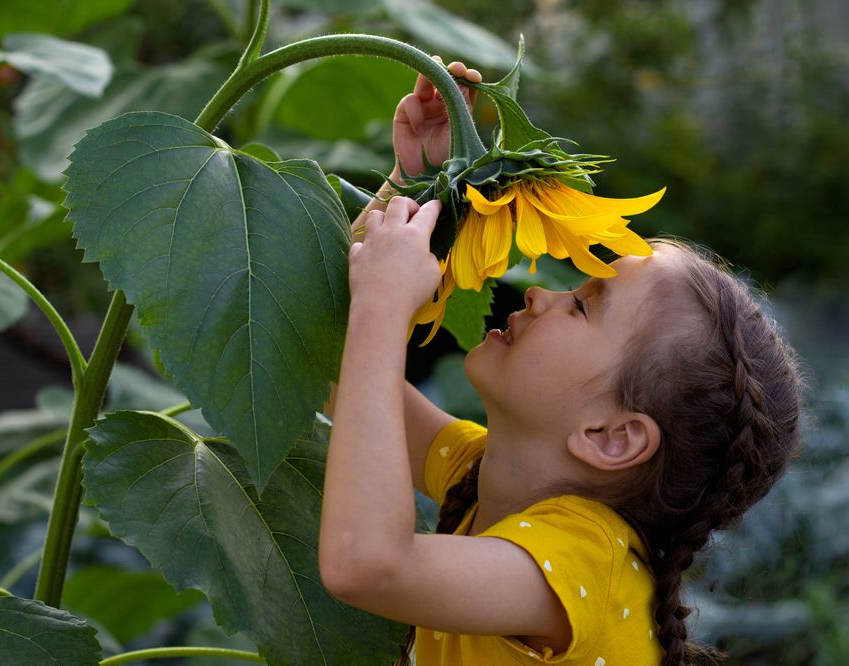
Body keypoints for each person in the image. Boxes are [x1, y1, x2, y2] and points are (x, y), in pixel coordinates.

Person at [318, 61, 802, 665]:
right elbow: (327, 369)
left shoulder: (583, 559)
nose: (541, 294)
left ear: (611, 436)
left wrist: (385, 306)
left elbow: (368, 564)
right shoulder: (483, 475)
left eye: (582, 306)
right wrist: (413, 185)